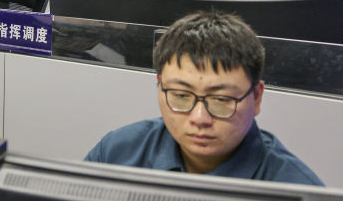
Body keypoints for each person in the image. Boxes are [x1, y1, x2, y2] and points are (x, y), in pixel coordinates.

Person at [85, 10, 323, 185]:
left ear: (257, 97)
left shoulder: (298, 194)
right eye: (181, 95)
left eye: (221, 99)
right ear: (159, 87)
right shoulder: (116, 154)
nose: (199, 118)